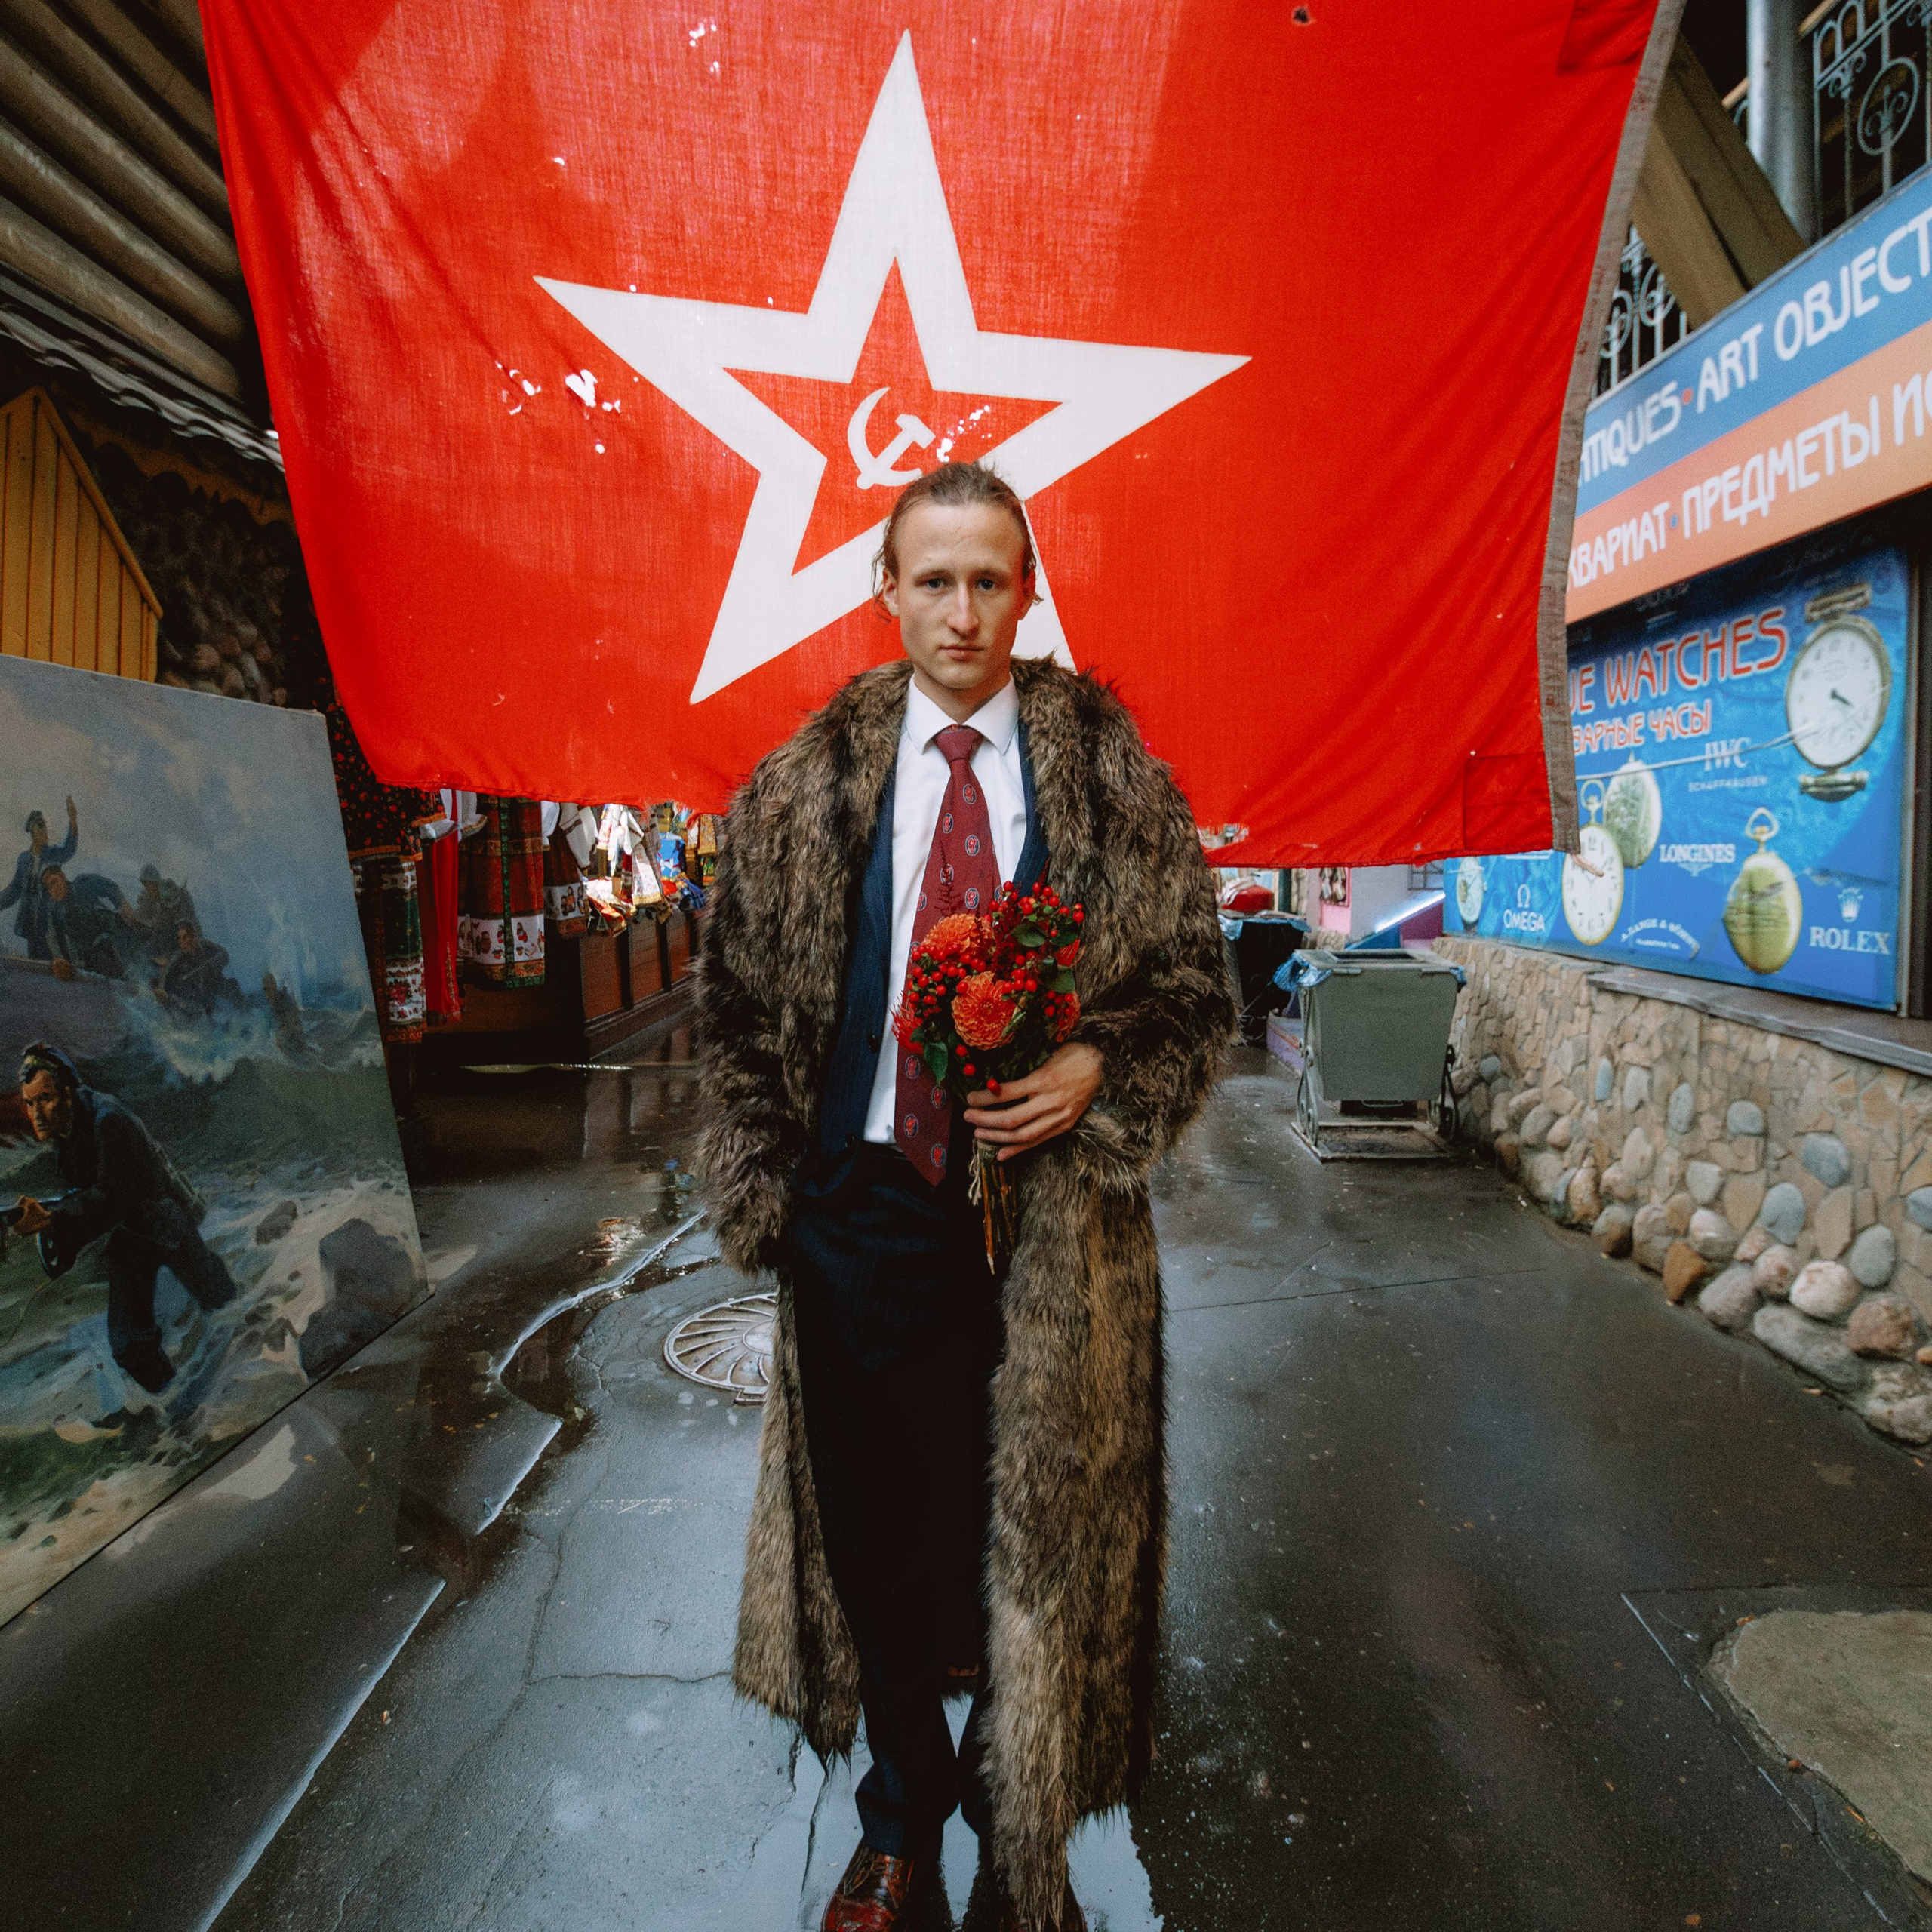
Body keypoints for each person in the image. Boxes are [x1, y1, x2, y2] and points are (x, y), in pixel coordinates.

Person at [696, 462, 1233, 1932]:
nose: (959, 608)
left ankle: (1019, 1836)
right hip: (862, 1208)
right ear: (887, 592)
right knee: (880, 1533)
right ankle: (901, 1821)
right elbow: (735, 997)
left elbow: (1195, 980)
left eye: (987, 577)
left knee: (1033, 1529)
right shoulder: (811, 775)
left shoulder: (1102, 762)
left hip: (1047, 1224)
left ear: (1026, 590)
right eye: (930, 578)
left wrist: (1094, 1067)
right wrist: (782, 1194)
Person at [11, 1042, 235, 1396]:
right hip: (128, 1235)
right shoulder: (65, 1129)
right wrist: (49, 1222)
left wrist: (52, 1218)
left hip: (162, 1222)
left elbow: (111, 1196)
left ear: (67, 1094)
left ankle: (250, 1361)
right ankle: (181, 1404)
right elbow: (91, 1196)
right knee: (130, 1345)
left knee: (217, 1296)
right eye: (29, 1102)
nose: (36, 1112)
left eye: (45, 1098)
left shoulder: (107, 1120)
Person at [0, 797, 79, 959]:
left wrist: (73, 821)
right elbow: (14, 890)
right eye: (40, 827)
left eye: (45, 827)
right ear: (32, 830)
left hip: (50, 925)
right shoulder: (23, 860)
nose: (45, 831)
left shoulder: (53, 854)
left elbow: (69, 850)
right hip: (30, 927)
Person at [39, 866, 133, 978]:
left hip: (112, 941)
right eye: (49, 888)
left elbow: (109, 886)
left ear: (62, 877)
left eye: (54, 882)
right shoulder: (54, 908)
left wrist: (122, 904)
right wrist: (59, 958)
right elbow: (51, 936)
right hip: (85, 959)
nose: (54, 890)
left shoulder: (82, 884)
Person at [155, 921, 242, 1017]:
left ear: (195, 936)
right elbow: (167, 973)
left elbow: (224, 954)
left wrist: (208, 967)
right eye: (181, 938)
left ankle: (246, 1016)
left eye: (188, 936)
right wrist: (162, 990)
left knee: (233, 985)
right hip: (198, 997)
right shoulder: (178, 957)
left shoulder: (206, 946)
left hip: (216, 986)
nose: (185, 941)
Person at [125, 864, 200, 971]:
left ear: (156, 882)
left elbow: (184, 923)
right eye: (146, 884)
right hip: (166, 937)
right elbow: (141, 917)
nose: (149, 888)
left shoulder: (175, 893)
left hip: (183, 936)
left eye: (151, 883)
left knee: (148, 950)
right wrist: (130, 919)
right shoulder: (149, 897)